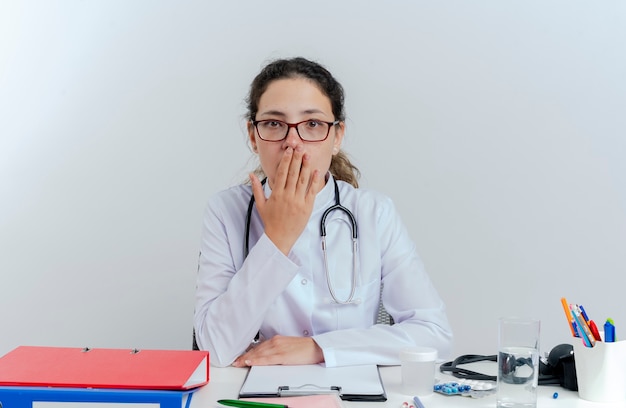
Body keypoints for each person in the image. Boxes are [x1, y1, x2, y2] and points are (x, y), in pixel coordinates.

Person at [194, 57, 453, 368]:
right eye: (274, 124)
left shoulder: (375, 213)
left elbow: (433, 335)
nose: (293, 143)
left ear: (337, 136)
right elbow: (213, 349)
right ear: (253, 136)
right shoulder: (226, 212)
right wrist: (277, 240)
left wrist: (319, 348)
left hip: (352, 394)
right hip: (256, 391)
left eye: (312, 124)